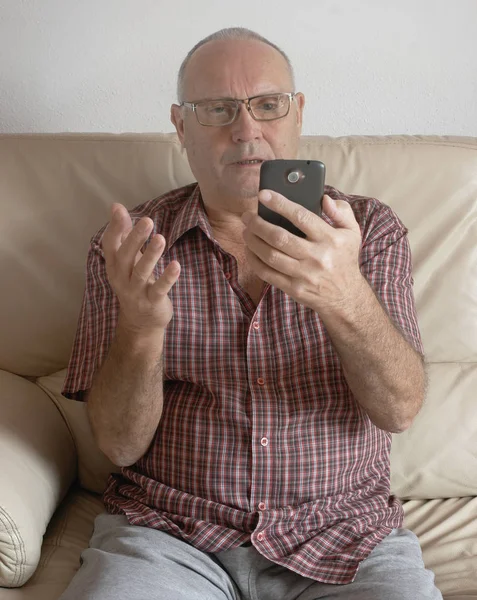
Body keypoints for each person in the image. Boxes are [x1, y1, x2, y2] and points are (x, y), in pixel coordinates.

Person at [59, 27, 442, 600]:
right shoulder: (131, 246)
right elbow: (118, 446)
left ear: (297, 114)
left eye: (268, 105)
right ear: (181, 125)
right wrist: (140, 330)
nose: (247, 130)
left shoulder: (367, 231)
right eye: (217, 109)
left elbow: (399, 410)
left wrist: (345, 295)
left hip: (344, 537)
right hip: (171, 537)